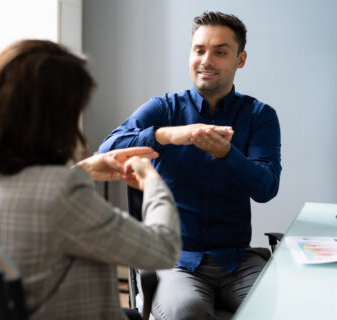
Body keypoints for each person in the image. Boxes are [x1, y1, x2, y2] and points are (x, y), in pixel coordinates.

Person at [0, 39, 182, 320]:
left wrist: (83, 168)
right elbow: (164, 249)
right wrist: (153, 180)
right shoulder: (62, 195)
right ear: (54, 121)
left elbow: (26, 199)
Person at [98, 11, 281, 319]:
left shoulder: (260, 116)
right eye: (199, 50)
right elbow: (108, 150)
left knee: (278, 310)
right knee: (188, 313)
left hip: (236, 260)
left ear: (241, 59)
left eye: (220, 52)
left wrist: (227, 155)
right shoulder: (162, 108)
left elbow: (266, 188)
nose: (206, 60)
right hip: (175, 260)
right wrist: (166, 134)